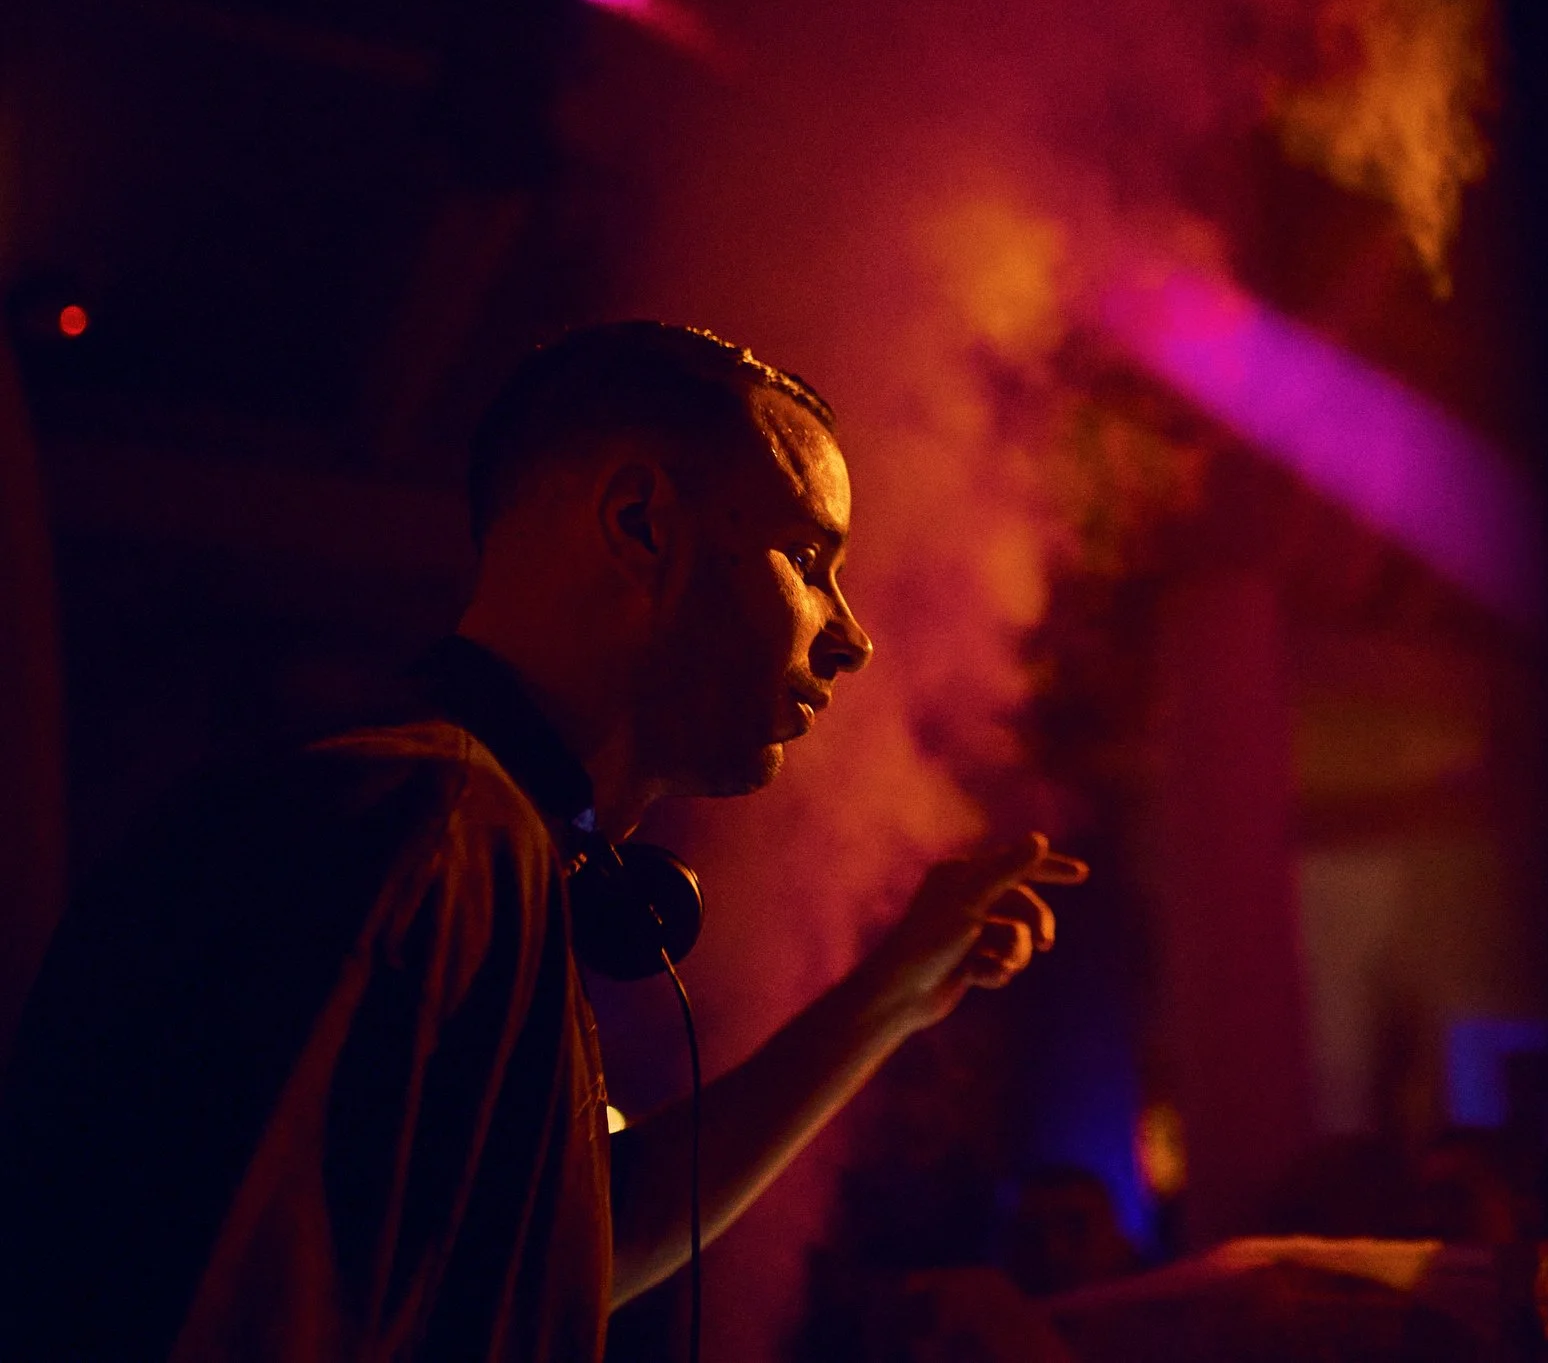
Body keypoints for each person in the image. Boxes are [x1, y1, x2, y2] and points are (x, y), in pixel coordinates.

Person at [0, 322, 1086, 1362]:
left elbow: (578, 1245)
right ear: (640, 524)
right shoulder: (429, 839)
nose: (851, 634)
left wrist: (896, 990)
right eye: (808, 556)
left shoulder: (471, 841)